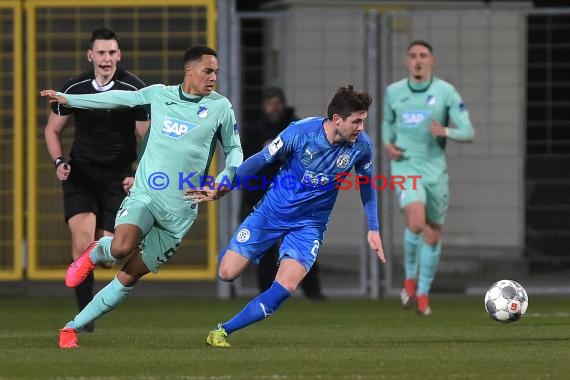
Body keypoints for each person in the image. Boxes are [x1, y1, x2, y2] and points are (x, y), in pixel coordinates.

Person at [41, 44, 243, 349]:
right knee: (121, 247)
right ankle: (94, 253)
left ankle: (72, 327)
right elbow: (119, 98)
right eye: (208, 71)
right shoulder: (159, 94)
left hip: (181, 212)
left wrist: (225, 180)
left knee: (129, 276)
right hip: (147, 195)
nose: (213, 77)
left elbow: (235, 150)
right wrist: (70, 99)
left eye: (216, 71)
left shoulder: (220, 108)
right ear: (189, 70)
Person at [194, 85, 385, 348]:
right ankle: (234, 252)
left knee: (285, 287)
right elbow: (261, 160)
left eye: (363, 121)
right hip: (271, 213)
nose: (361, 128)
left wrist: (373, 228)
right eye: (357, 121)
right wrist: (225, 185)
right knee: (227, 272)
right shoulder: (300, 132)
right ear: (337, 119)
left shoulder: (361, 146)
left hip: (309, 225)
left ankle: (221, 331)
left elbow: (367, 185)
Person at [43, 27, 150, 333]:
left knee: (110, 257)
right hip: (82, 174)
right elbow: (52, 130)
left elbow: (148, 137)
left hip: (119, 178)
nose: (107, 58)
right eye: (101, 53)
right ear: (91, 56)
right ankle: (84, 316)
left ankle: (89, 282)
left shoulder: (134, 89)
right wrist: (59, 161)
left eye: (112, 52)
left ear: (119, 55)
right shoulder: (73, 88)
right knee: (81, 242)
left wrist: (138, 174)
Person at [381, 40, 475, 316]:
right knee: (416, 221)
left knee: (433, 235)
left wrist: (446, 131)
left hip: (435, 170)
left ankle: (423, 293)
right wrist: (388, 144)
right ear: (406, 61)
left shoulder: (445, 92)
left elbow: (468, 131)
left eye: (423, 56)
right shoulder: (394, 92)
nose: (418, 60)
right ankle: (409, 280)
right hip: (405, 166)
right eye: (412, 56)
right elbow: (386, 123)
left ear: (432, 60)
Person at [241, 87, 326, 300]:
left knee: (301, 244)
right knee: (265, 248)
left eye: (278, 101)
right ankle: (266, 293)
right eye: (270, 102)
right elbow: (250, 162)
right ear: (264, 105)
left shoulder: (296, 127)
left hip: (294, 195)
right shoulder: (254, 130)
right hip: (263, 194)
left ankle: (312, 291)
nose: (274, 106)